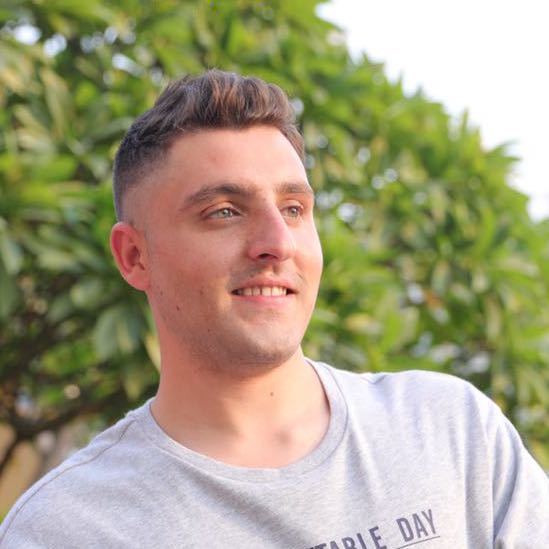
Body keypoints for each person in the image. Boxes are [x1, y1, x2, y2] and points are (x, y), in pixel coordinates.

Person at [1, 69, 547, 549]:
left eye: (293, 208)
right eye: (224, 211)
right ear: (135, 256)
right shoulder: (67, 528)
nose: (277, 243)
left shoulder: (452, 432)